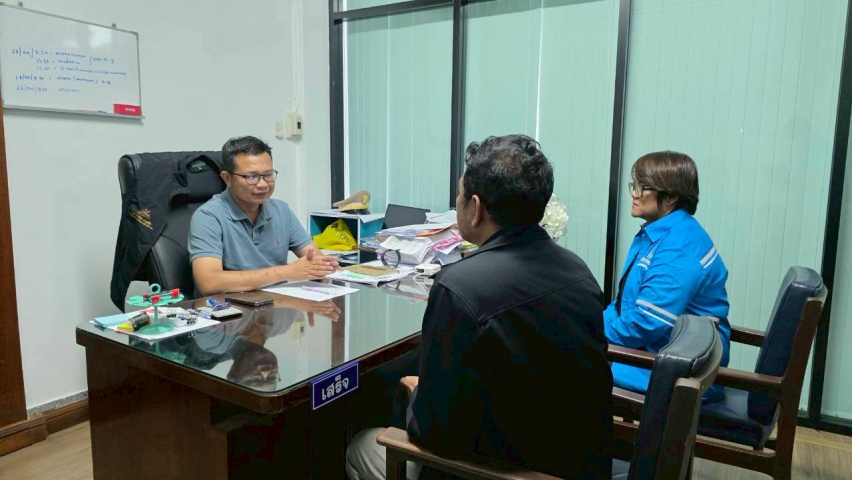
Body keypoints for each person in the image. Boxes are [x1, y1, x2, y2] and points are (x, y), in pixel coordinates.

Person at [346, 135, 613, 480]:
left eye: (459, 197)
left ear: (476, 207)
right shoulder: (577, 269)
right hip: (576, 461)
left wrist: (416, 395)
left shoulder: (460, 287)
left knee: (362, 446)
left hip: (497, 470)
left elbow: (435, 432)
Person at [605, 151, 730, 401]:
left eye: (642, 187)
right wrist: (588, 324)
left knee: (567, 361)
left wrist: (586, 332)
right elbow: (623, 306)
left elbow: (645, 323)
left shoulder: (679, 245)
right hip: (657, 353)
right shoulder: (660, 234)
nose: (634, 193)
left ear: (671, 196)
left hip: (685, 373)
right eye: (634, 185)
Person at [188, 136, 339, 295]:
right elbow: (209, 283)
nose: (262, 184)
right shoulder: (208, 216)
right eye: (251, 177)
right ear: (228, 178)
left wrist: (323, 267)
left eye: (268, 174)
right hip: (228, 306)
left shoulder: (281, 210)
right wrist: (287, 272)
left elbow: (315, 259)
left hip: (276, 302)